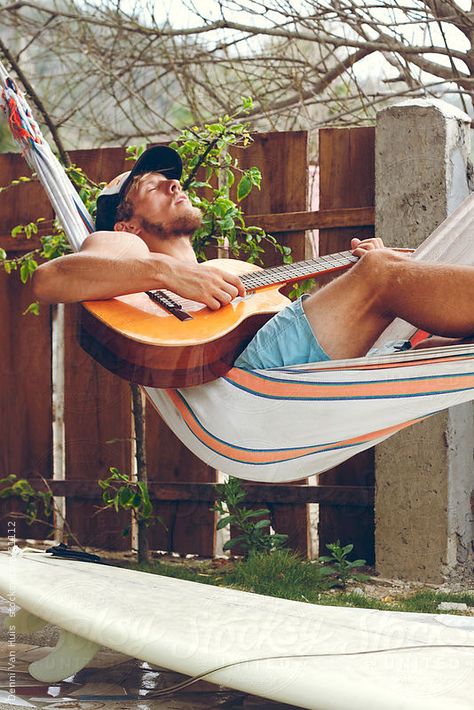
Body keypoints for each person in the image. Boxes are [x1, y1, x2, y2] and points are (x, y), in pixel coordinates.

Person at [32, 146, 474, 370]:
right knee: (382, 273)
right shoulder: (127, 245)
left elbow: (296, 326)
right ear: (127, 224)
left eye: (171, 180)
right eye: (152, 186)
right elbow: (48, 281)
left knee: (433, 336)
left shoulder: (227, 273)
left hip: (302, 361)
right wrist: (166, 272)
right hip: (252, 378)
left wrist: (358, 278)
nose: (173, 185)